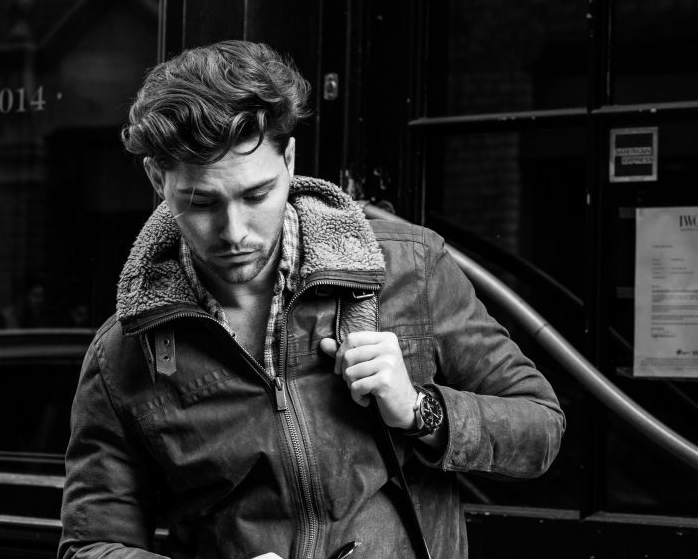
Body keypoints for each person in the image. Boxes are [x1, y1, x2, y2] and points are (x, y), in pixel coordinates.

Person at [59, 41, 564, 559]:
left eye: (256, 195)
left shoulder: (410, 269)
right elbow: (91, 545)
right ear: (156, 179)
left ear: (290, 160)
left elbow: (541, 428)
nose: (234, 232)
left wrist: (420, 410)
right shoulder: (123, 353)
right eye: (202, 202)